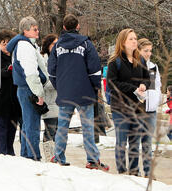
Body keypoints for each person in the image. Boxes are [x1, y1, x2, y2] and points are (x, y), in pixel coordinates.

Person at [48, 14, 109, 170]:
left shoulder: (57, 46)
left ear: (63, 27)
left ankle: (59, 156)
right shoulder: (86, 44)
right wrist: (95, 88)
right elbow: (95, 70)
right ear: (78, 26)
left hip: (65, 93)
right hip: (84, 92)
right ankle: (93, 160)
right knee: (88, 127)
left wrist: (59, 87)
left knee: (62, 126)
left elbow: (52, 71)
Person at [107, 29, 150, 176]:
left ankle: (134, 171)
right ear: (123, 41)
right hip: (120, 107)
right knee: (121, 141)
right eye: (131, 39)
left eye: (135, 38)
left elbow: (147, 78)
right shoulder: (115, 61)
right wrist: (133, 88)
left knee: (134, 141)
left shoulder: (141, 59)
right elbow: (111, 84)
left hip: (137, 107)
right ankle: (122, 170)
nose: (134, 41)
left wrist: (144, 85)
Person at [6, 16, 47, 161]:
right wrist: (39, 93)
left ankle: (26, 154)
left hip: (25, 88)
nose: (38, 31)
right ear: (25, 30)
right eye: (34, 29)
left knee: (27, 123)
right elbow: (30, 72)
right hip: (29, 88)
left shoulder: (25, 44)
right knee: (32, 124)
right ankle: (32, 155)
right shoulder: (25, 46)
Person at [0, 30, 21, 155]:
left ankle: (10, 154)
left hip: (14, 103)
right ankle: (1, 156)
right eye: (3, 43)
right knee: (0, 135)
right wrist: (7, 71)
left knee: (10, 135)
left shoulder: (15, 57)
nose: (6, 46)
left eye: (9, 43)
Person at [137, 38, 162, 178]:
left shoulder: (154, 66)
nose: (148, 54)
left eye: (150, 51)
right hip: (138, 108)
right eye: (145, 51)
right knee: (135, 141)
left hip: (151, 109)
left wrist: (157, 99)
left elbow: (157, 85)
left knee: (148, 142)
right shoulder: (134, 66)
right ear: (138, 50)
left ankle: (148, 171)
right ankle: (135, 170)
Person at [40, 33, 59, 161]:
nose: (56, 46)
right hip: (49, 100)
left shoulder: (60, 58)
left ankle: (57, 155)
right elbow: (45, 82)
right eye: (53, 44)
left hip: (59, 100)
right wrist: (59, 81)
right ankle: (49, 156)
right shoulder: (43, 60)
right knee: (50, 130)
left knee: (59, 131)